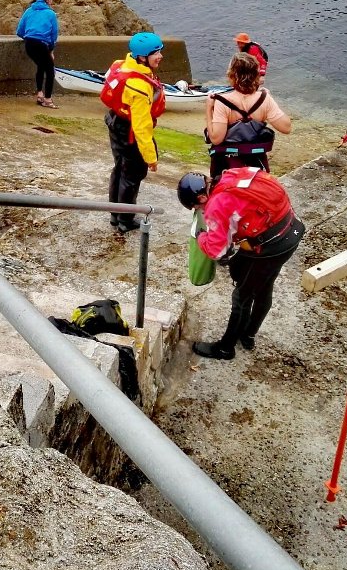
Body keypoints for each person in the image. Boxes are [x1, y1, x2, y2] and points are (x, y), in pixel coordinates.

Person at [177, 168, 306, 360]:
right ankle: (248, 335)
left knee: (242, 297)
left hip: (269, 247)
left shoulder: (215, 204)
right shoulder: (233, 174)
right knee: (264, 286)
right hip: (290, 230)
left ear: (202, 198)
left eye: (196, 207)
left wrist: (201, 236)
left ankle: (225, 348)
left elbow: (217, 250)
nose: (199, 211)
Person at [101, 32, 166, 233]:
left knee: (119, 168)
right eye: (156, 53)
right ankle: (126, 220)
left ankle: (115, 213)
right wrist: (151, 157)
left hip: (115, 120)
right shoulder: (139, 86)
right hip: (128, 130)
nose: (161, 56)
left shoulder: (121, 64)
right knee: (132, 174)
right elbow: (142, 127)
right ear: (142, 57)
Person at [205, 53, 292, 178]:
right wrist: (269, 99)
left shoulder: (222, 102)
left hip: (227, 166)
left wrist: (208, 109)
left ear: (232, 75)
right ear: (256, 76)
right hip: (255, 165)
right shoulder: (264, 99)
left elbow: (216, 139)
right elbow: (286, 127)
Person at [15, 0, 59, 108]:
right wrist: (51, 50)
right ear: (48, 1)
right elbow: (54, 35)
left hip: (29, 44)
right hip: (42, 44)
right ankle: (48, 100)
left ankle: (40, 94)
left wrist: (29, 37)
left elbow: (19, 31)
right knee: (50, 71)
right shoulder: (51, 14)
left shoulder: (29, 10)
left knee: (41, 66)